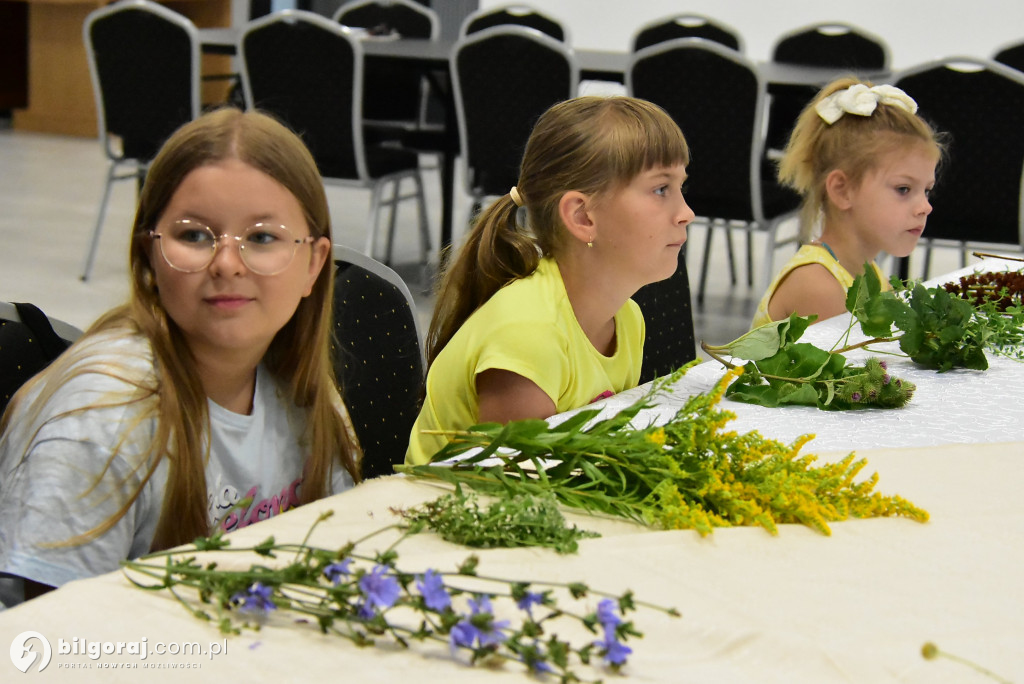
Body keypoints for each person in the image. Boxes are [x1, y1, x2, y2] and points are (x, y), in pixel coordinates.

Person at [0, 108, 362, 607]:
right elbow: (59, 645)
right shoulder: (101, 421)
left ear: (314, 264)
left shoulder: (299, 389)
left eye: (261, 237)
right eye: (194, 235)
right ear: (148, 254)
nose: (227, 264)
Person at [405, 95, 694, 465]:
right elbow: (509, 494)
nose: (686, 212)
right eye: (660, 189)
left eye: (680, 187)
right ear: (582, 216)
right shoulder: (528, 336)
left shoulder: (627, 320)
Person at [750, 78, 944, 329]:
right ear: (842, 190)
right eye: (903, 189)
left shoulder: (870, 273)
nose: (925, 207)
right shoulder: (820, 287)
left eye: (926, 190)